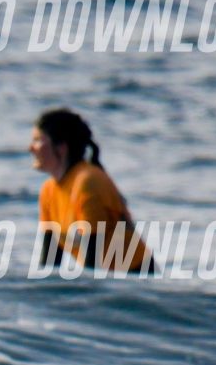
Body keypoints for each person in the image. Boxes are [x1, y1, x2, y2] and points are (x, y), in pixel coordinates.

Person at [29, 108, 154, 273]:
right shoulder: (48, 190)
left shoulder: (88, 183)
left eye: (38, 140)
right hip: (106, 278)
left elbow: (93, 261)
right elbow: (50, 263)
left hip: (134, 276)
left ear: (61, 147)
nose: (30, 148)